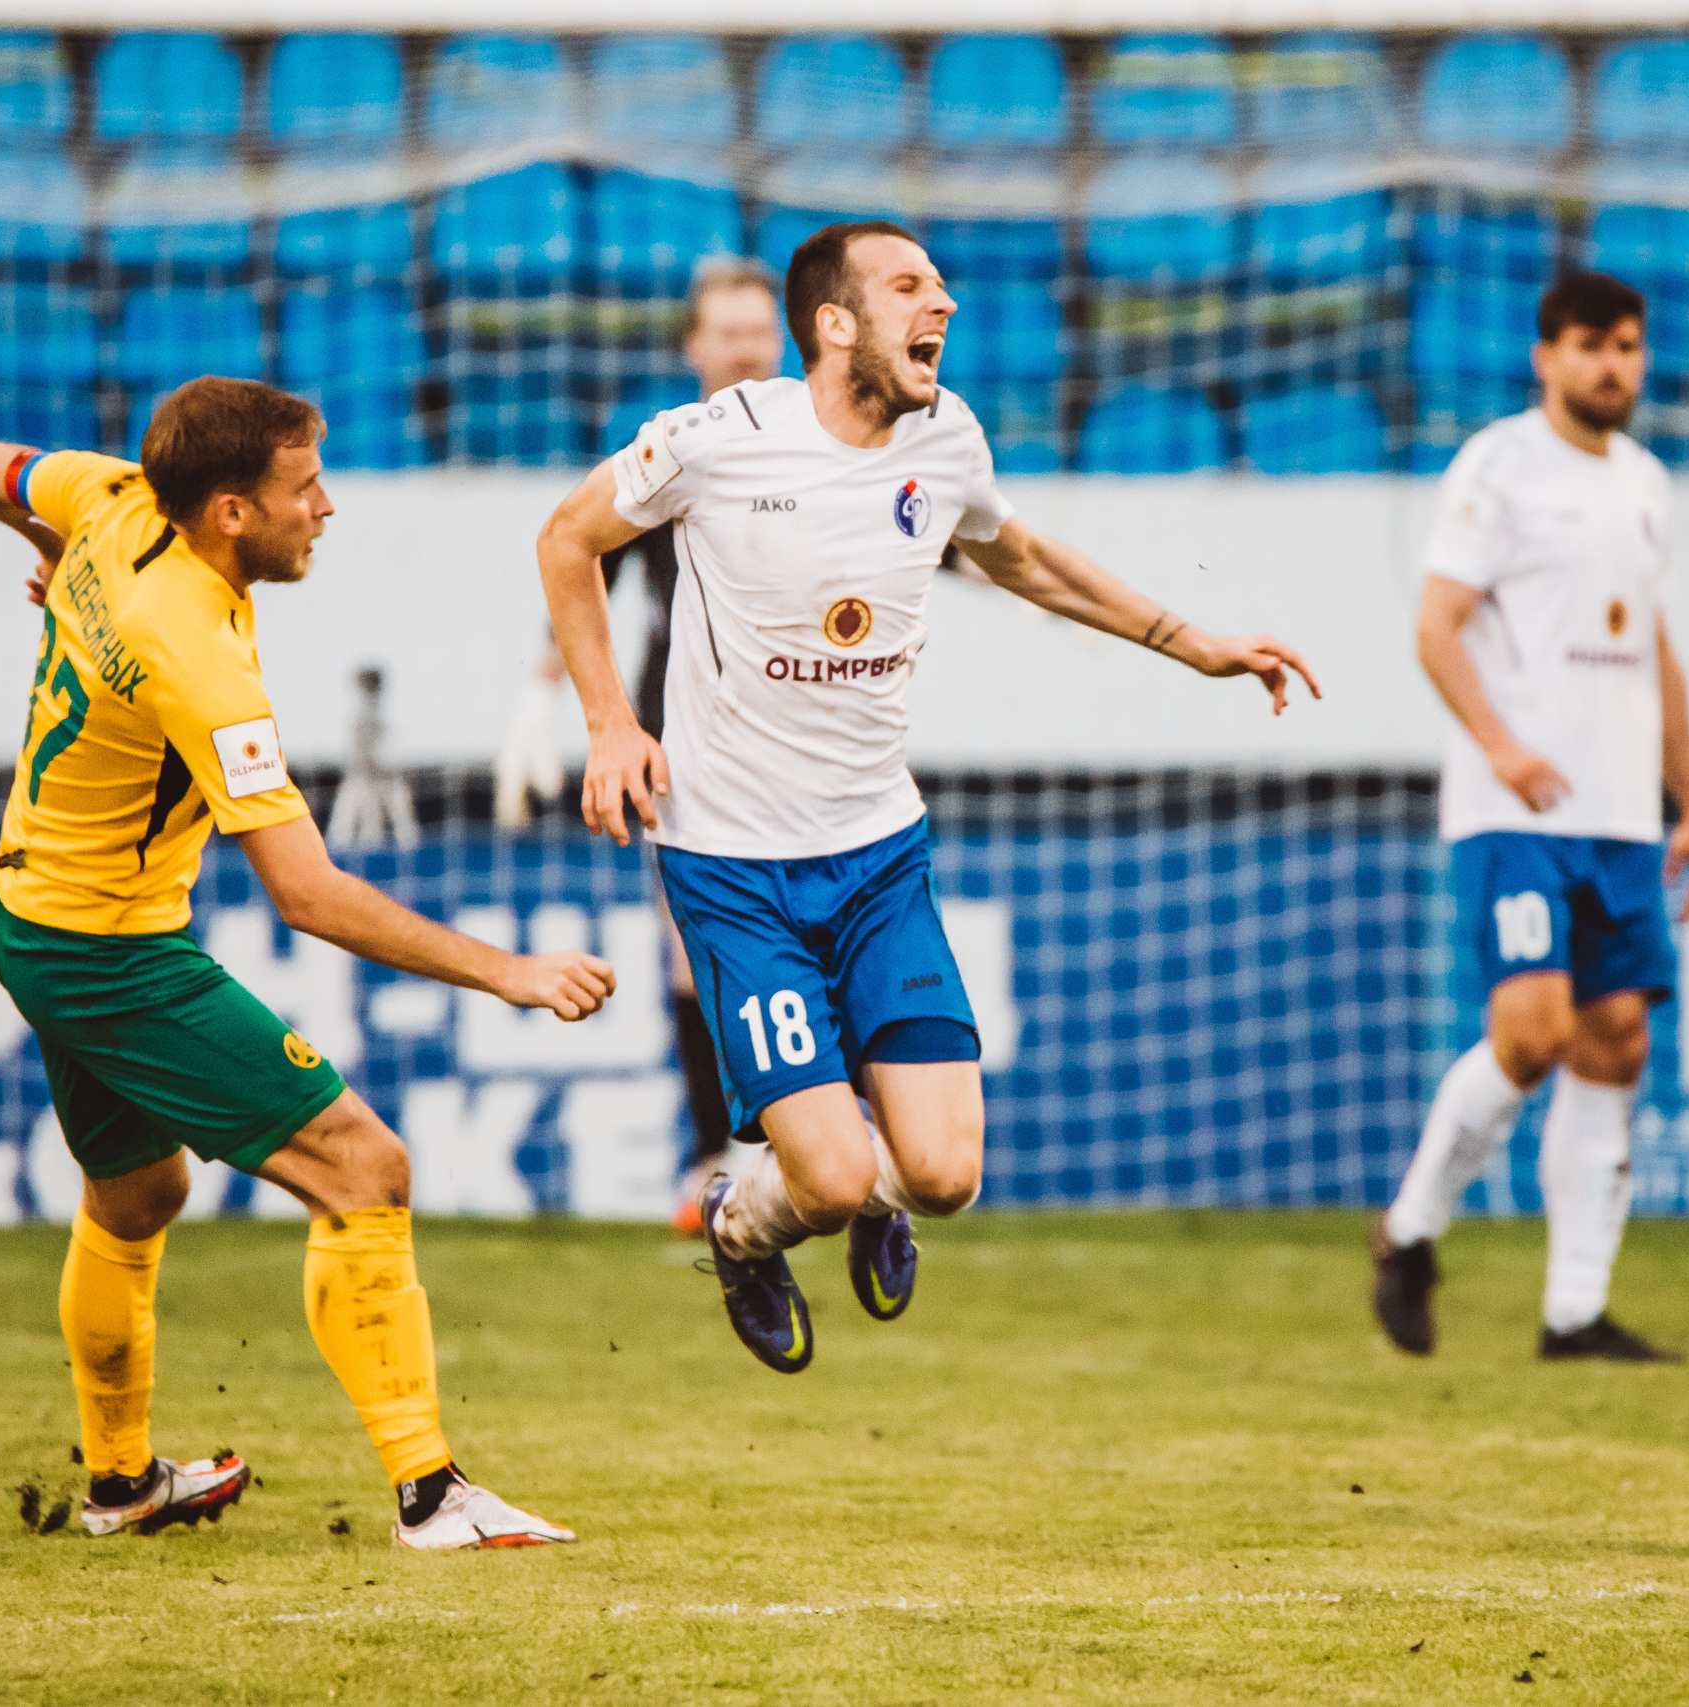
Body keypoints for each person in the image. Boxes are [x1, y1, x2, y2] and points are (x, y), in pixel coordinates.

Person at [533, 222, 1319, 1374]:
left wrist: (1192, 644)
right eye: (909, 286)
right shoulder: (716, 440)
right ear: (834, 324)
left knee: (944, 1177)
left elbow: (1023, 558)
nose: (940, 304)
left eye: (942, 286)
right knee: (833, 1173)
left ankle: (849, 1200)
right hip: (733, 866)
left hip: (877, 854)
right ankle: (740, 1230)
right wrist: (609, 723)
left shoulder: (944, 439)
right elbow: (566, 540)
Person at [0, 377, 611, 1546]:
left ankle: (118, 1484)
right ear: (231, 514)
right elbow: (309, 895)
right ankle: (430, 1494)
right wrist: (506, 971)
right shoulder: (192, 649)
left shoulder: (105, 496)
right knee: (364, 1165)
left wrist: (58, 559)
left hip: (34, 917)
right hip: (110, 950)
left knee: (140, 1191)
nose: (329, 506)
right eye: (304, 487)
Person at [1371, 272, 1689, 1365]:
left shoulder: (1648, 483)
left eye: (1627, 346)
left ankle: (1574, 1312)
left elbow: (1653, 648)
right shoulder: (1499, 466)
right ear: (1545, 356)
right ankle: (1411, 1230)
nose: (1611, 365)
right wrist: (1502, 746)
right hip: (1513, 808)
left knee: (1618, 1041)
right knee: (1532, 1031)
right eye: (1588, 346)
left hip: (1619, 815)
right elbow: (1436, 628)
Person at [496, 258, 784, 1233]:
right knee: (691, 952)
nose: (746, 346)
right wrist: (542, 713)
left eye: (759, 328)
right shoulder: (671, 453)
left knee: (819, 934)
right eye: (729, 331)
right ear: (695, 346)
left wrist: (1024, 587)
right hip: (685, 739)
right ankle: (721, 1155)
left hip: (805, 734)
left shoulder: (818, 442)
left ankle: (830, 1141)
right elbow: (587, 567)